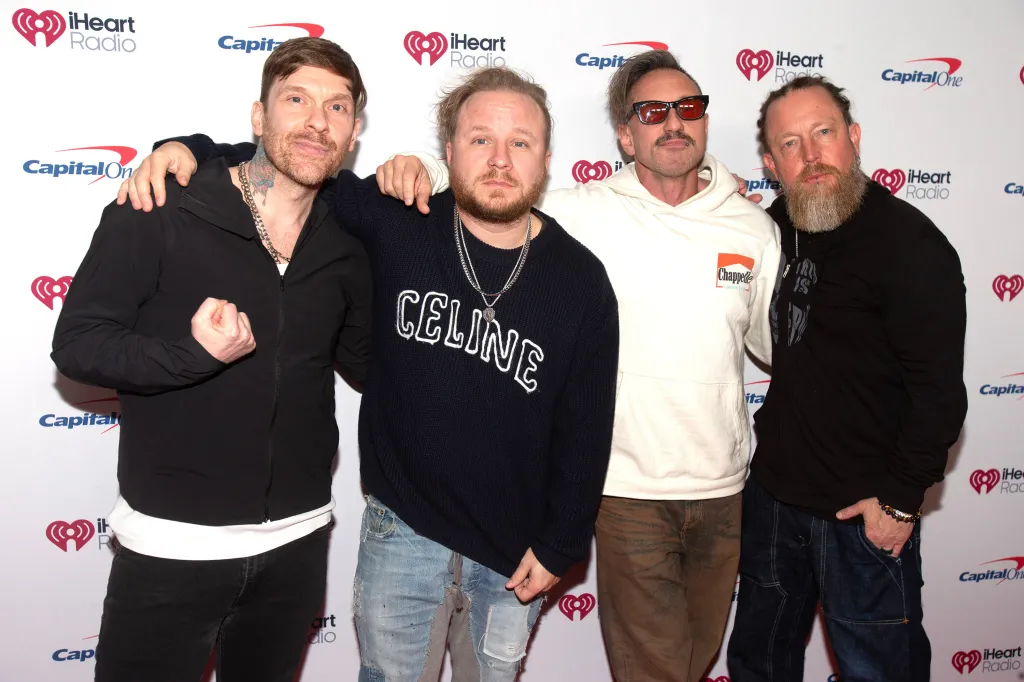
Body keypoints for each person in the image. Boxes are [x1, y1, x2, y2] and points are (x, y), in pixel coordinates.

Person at [118, 66, 619, 681]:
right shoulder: (396, 219)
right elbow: (294, 160)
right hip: (401, 530)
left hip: (517, 549)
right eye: (480, 139)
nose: (499, 159)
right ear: (449, 151)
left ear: (544, 159)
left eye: (520, 143)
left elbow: (586, 429)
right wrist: (188, 150)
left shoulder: (581, 282)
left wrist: (563, 542)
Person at [378, 50, 780, 682]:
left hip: (725, 490)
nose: (673, 123)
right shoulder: (581, 213)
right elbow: (494, 188)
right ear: (625, 134)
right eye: (652, 111)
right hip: (627, 491)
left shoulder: (755, 228)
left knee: (695, 659)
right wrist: (423, 167)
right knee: (656, 668)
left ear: (704, 119)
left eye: (689, 108)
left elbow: (770, 346)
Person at [51, 37, 372, 682]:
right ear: (258, 117)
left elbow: (370, 366)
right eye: (297, 100)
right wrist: (189, 355)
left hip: (299, 540)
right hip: (171, 542)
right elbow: (78, 345)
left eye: (337, 107)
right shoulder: (164, 205)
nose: (316, 121)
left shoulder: (349, 236)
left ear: (355, 131)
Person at [726, 76, 967, 682]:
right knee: (759, 665)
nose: (811, 155)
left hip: (864, 515)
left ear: (853, 139)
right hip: (775, 503)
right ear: (771, 164)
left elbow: (938, 394)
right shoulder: (771, 229)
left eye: (823, 133)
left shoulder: (911, 245)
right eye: (790, 144)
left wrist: (899, 502)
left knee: (879, 672)